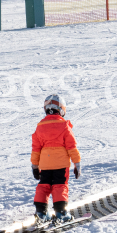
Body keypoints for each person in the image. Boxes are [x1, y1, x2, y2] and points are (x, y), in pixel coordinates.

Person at [30, 94, 82, 225]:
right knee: (60, 186)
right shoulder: (64, 126)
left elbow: (36, 149)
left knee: (44, 186)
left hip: (45, 164)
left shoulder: (40, 126)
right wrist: (77, 164)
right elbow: (72, 147)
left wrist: (35, 166)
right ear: (61, 109)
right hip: (61, 163)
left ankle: (41, 213)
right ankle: (61, 213)